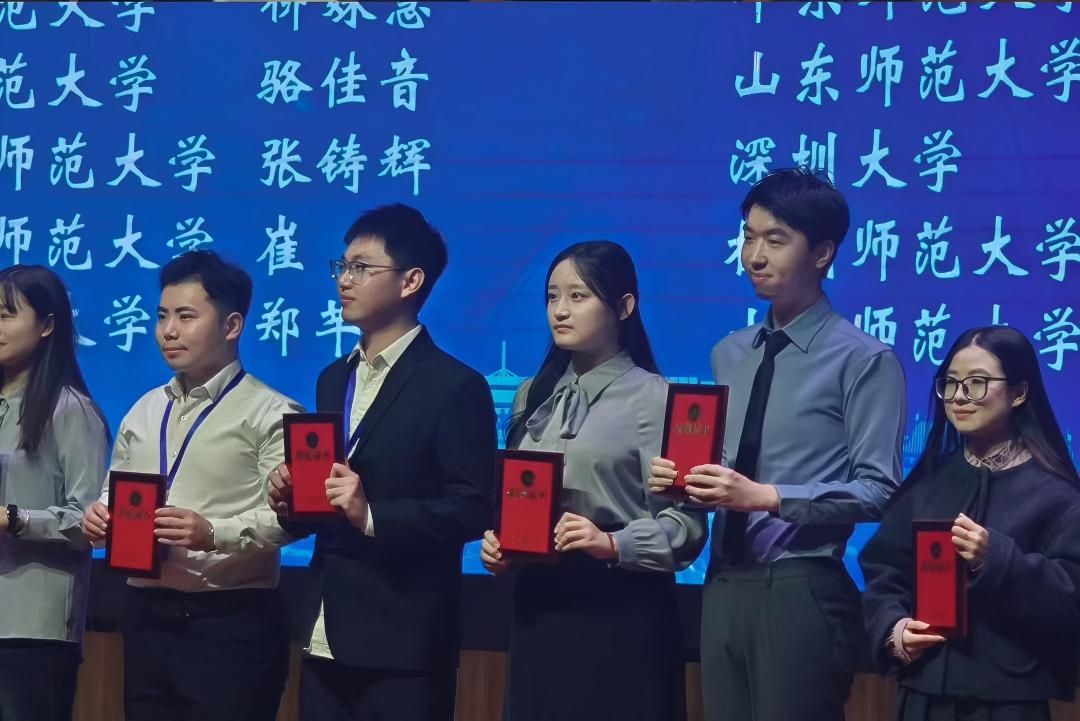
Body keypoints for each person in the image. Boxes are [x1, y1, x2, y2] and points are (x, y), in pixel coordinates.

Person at [650, 168, 906, 721]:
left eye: (775, 239)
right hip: (722, 583)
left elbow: (880, 490)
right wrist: (684, 483)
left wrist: (767, 497)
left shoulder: (865, 360)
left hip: (801, 585)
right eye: (748, 236)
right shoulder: (729, 353)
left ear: (823, 253)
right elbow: (724, 467)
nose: (754, 256)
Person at [268, 203, 496, 721]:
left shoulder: (454, 385)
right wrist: (292, 499)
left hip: (403, 641)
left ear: (411, 280)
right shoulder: (333, 378)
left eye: (361, 268)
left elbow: (472, 507)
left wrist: (371, 515)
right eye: (342, 266)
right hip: (324, 627)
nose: (344, 280)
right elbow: (326, 499)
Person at [481, 240, 707, 721]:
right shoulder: (532, 394)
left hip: (620, 612)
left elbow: (688, 526)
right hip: (539, 609)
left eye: (578, 296)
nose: (560, 311)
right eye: (552, 297)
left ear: (624, 306)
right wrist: (504, 547)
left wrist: (613, 543)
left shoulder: (659, 399)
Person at [81, 250, 303, 721]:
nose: (168, 331)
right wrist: (100, 516)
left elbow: (292, 518)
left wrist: (214, 533)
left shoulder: (271, 412)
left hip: (230, 622)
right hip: (146, 613)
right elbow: (113, 490)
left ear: (232, 325)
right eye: (161, 316)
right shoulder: (144, 408)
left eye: (186, 316)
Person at [860, 326, 1080, 721]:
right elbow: (884, 573)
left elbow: (1070, 598)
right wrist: (894, 629)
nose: (960, 396)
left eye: (977, 383)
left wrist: (996, 559)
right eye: (951, 383)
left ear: (1019, 393)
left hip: (1008, 701)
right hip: (923, 693)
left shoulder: (1056, 495)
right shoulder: (927, 483)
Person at [0, 265, 109, 721]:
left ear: (47, 325)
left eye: (6, 315)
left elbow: (90, 522)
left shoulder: (71, 410)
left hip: (32, 627)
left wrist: (16, 519)